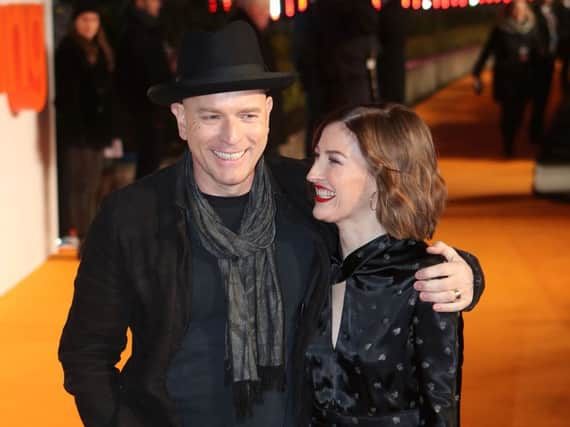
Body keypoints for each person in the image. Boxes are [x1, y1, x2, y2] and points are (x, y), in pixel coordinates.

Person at [59, 21, 484, 427]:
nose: (231, 137)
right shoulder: (131, 216)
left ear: (267, 114)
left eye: (246, 115)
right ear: (181, 119)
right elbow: (85, 353)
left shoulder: (308, 194)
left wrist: (467, 273)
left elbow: (384, 246)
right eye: (210, 117)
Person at [301, 104, 463, 426]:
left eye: (333, 160)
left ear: (380, 176)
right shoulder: (312, 264)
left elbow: (441, 410)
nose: (312, 174)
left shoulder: (427, 280)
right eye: (316, 156)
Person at [55, 0, 118, 242]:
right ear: (75, 23)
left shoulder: (103, 51)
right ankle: (79, 233)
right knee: (78, 183)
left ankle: (88, 233)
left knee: (92, 184)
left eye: (94, 20)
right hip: (78, 130)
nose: (90, 25)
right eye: (85, 20)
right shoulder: (68, 51)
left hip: (96, 131)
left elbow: (108, 93)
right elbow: (68, 96)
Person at [115, 0, 178, 179]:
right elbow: (145, 71)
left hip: (151, 109)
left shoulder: (148, 30)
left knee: (151, 164)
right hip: (146, 110)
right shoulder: (137, 32)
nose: (160, 4)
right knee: (148, 166)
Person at [473, 0, 541, 157]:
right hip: (506, 79)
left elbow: (538, 52)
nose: (518, 12)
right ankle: (508, 142)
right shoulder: (501, 29)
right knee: (507, 112)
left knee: (520, 112)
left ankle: (513, 134)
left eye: (521, 9)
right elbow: (487, 51)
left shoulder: (530, 29)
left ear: (526, 11)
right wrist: (477, 72)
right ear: (510, 11)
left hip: (524, 78)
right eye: (516, 9)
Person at [230, 0, 288, 155]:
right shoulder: (243, 31)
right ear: (254, 8)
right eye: (266, 9)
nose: (268, 15)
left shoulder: (249, 30)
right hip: (256, 123)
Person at [531, 0, 559, 144]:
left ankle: (539, 129)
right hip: (539, 63)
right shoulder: (534, 12)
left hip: (550, 60)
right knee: (539, 98)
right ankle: (535, 132)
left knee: (545, 97)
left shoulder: (553, 11)